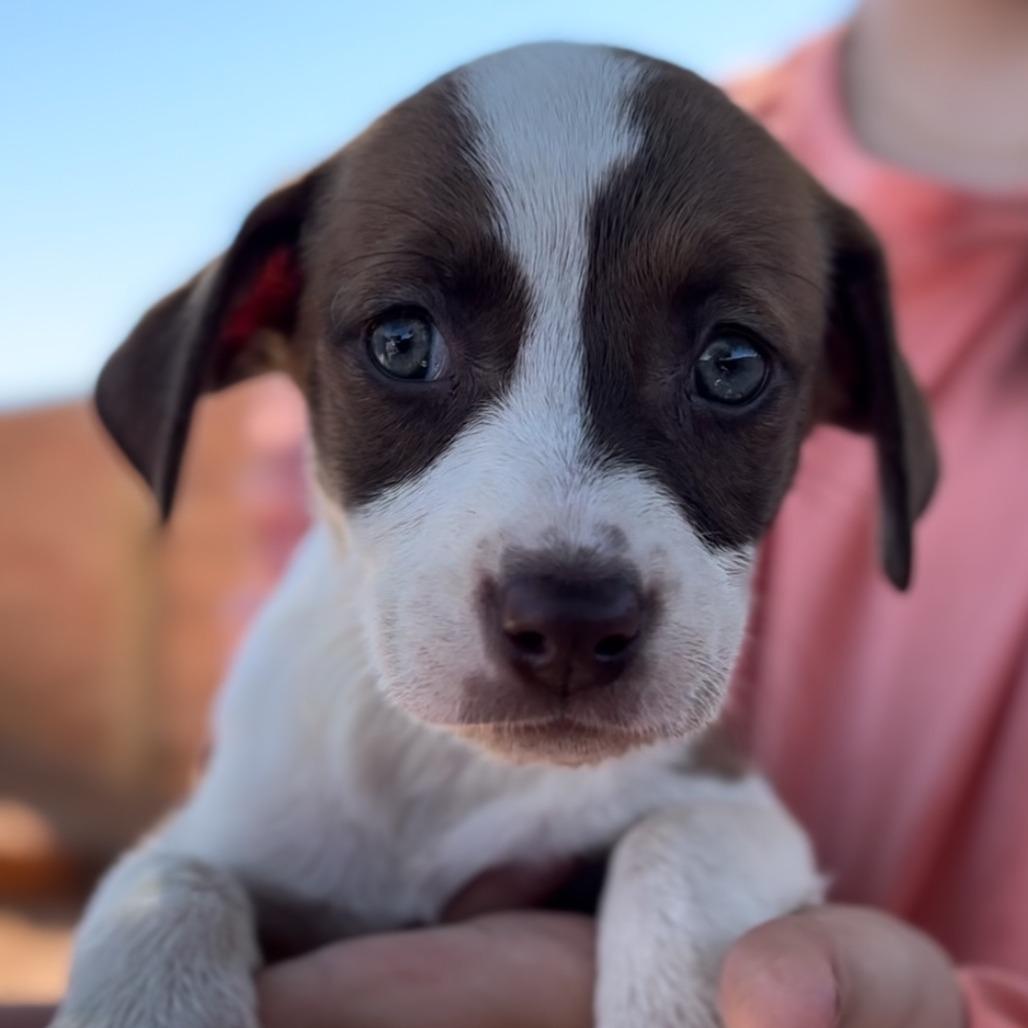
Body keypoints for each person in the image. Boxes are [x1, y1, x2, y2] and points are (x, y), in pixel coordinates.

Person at [9, 1, 1023, 1026]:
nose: (567, 563)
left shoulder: (768, 205)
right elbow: (193, 863)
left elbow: (721, 821)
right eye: (405, 344)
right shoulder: (276, 734)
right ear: (261, 316)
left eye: (729, 366)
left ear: (844, 382)